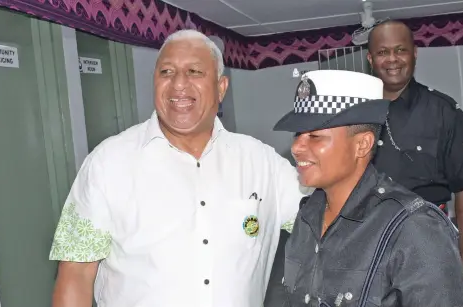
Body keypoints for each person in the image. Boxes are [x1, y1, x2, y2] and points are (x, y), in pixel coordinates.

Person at [49, 29, 309, 307]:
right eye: (166, 72)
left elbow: (328, 215)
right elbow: (76, 274)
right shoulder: (108, 163)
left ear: (221, 88)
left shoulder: (261, 162)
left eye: (195, 71)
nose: (179, 84)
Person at [274, 69, 463, 306]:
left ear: (362, 144)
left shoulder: (414, 229)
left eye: (315, 136)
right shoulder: (308, 215)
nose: (297, 147)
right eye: (298, 134)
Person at [366, 20, 463, 283]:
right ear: (370, 58)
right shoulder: (355, 114)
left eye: (400, 50)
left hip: (430, 241)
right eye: (382, 52)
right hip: (369, 244)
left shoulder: (443, 112)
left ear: (414, 53)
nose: (392, 59)